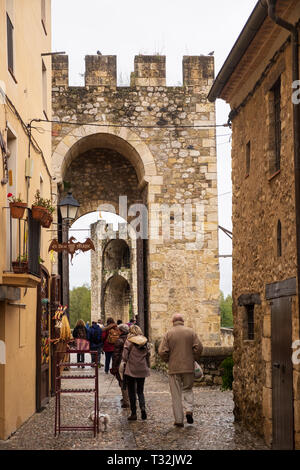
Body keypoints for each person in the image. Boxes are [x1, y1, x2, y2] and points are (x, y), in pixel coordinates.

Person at [158, 314, 203, 427]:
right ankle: (189, 410)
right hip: (188, 367)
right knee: (188, 389)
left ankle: (178, 420)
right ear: (183, 321)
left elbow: (162, 351)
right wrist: (193, 357)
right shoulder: (191, 332)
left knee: (176, 395)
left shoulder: (168, 334)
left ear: (173, 321)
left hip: (174, 368)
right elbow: (199, 348)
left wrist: (168, 360)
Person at [122, 324, 150, 421]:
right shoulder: (144, 341)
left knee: (131, 392)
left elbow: (124, 357)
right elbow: (148, 353)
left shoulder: (129, 341)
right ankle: (142, 407)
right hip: (142, 368)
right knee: (140, 391)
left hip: (131, 369)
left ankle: (134, 413)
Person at [111, 323, 130, 408]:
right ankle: (128, 398)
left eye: (118, 330)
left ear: (121, 331)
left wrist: (114, 367)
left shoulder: (119, 340)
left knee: (122, 382)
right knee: (129, 381)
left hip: (121, 363)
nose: (117, 331)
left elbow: (116, 355)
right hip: (130, 363)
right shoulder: (131, 339)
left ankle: (126, 400)